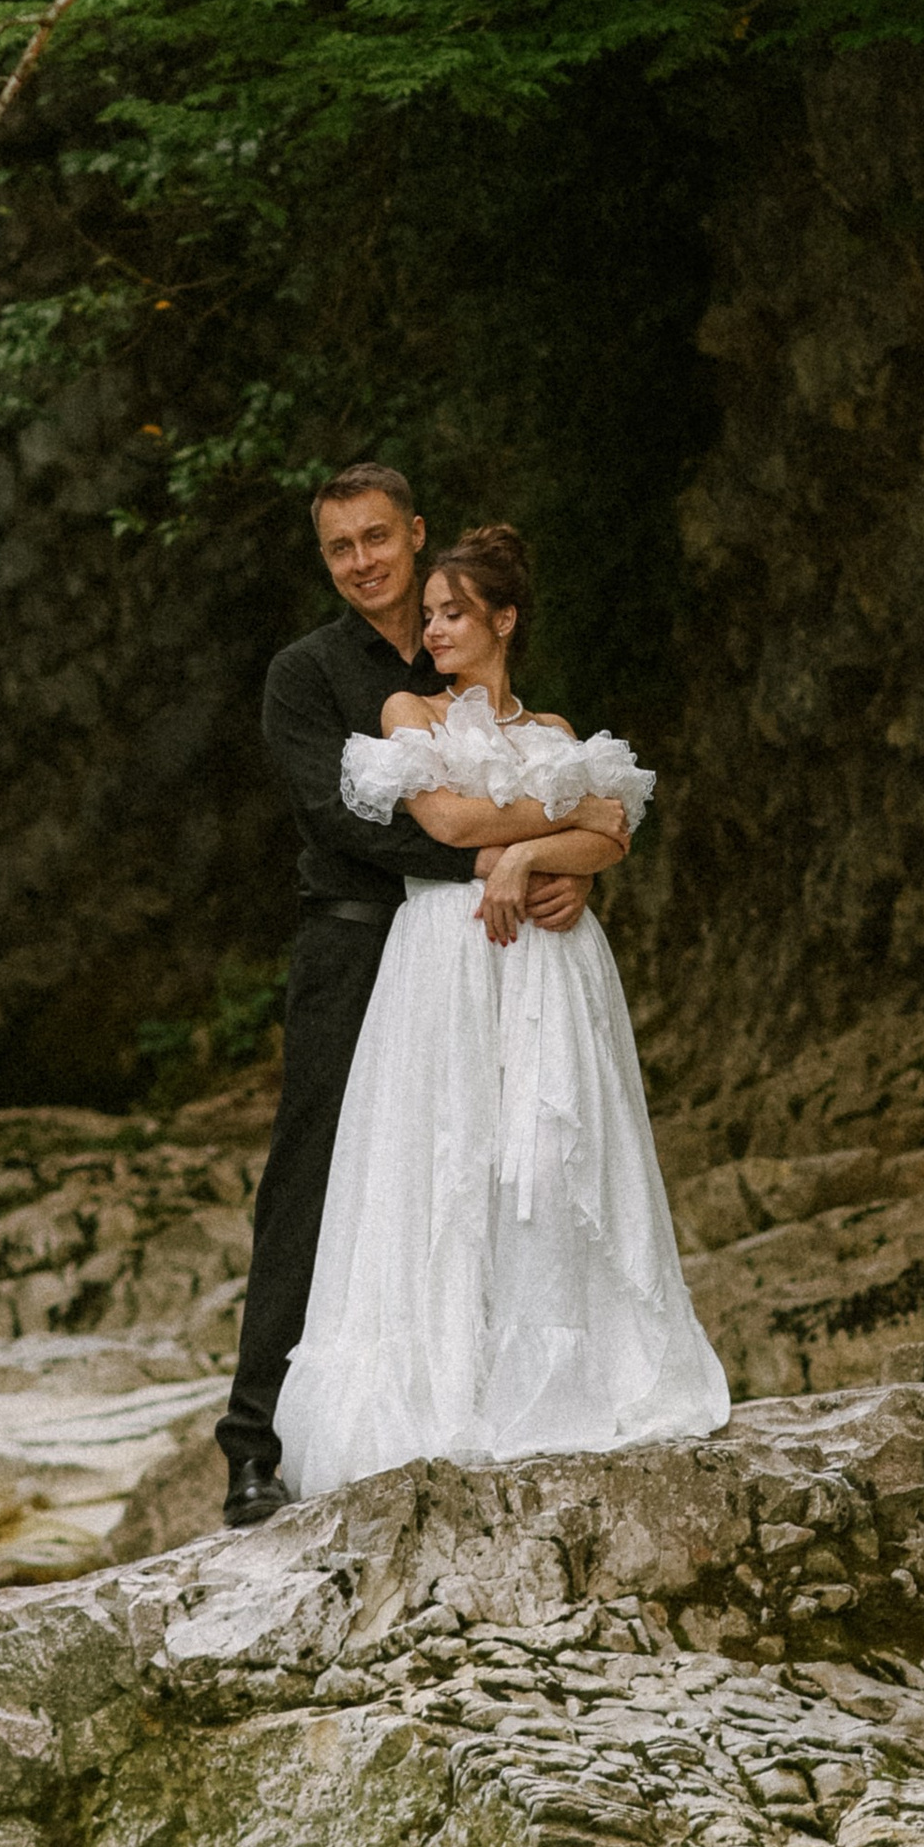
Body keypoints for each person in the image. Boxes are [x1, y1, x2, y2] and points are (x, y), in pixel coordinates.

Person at [275, 520, 729, 1500]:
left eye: (452, 614)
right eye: (429, 614)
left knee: (547, 1153)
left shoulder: (558, 734)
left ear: (505, 620)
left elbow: (612, 836)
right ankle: (452, 1378)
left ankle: (567, 1373)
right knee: (453, 1148)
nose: (432, 630)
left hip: (549, 963)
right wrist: (551, 834)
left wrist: (545, 857)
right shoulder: (410, 714)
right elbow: (448, 822)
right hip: (446, 950)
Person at [216, 465, 607, 1527]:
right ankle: (256, 1442)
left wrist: (558, 858)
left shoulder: (465, 636)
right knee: (318, 1172)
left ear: (416, 533)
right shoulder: (306, 674)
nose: (362, 563)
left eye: (378, 538)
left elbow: (552, 778)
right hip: (358, 945)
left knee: (484, 1159)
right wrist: (516, 858)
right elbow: (341, 820)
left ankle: (480, 1386)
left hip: (487, 950)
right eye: (340, 547)